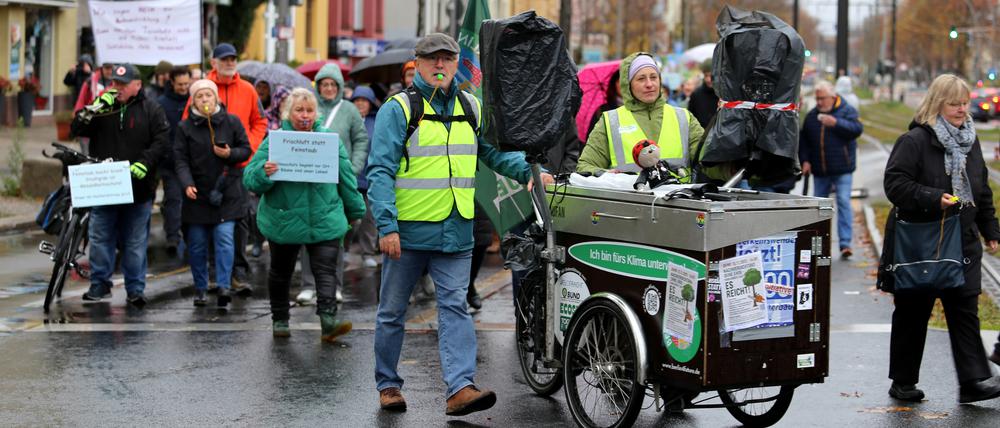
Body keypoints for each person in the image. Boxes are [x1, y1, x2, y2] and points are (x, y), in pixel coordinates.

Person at [367, 32, 531, 416]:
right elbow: (379, 171)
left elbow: (492, 153)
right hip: (407, 232)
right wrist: (386, 226)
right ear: (419, 63)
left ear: (457, 63)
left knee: (455, 305)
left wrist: (527, 171)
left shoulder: (471, 106)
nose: (439, 65)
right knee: (392, 311)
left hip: (455, 229)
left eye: (447, 58)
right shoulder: (399, 109)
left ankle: (460, 387)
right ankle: (388, 384)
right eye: (431, 59)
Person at [883, 74, 1000, 404]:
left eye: (965, 102)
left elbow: (981, 187)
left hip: (961, 239)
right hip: (923, 241)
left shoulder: (971, 140)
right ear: (937, 104)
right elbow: (895, 184)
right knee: (913, 312)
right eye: (955, 104)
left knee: (965, 308)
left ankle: (974, 381)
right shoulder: (915, 141)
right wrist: (933, 197)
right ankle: (903, 381)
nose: (963, 109)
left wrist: (990, 229)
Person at [243, 87, 366, 340]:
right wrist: (263, 173)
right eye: (299, 110)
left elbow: (346, 178)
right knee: (281, 271)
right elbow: (250, 179)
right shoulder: (276, 140)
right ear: (289, 112)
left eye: (309, 110)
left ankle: (328, 320)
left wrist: (355, 211)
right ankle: (280, 320)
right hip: (284, 216)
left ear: (316, 113)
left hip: (323, 216)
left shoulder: (329, 140)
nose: (305, 115)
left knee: (326, 270)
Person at [70, 63, 169, 307]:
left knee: (134, 242)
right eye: (114, 83)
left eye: (124, 84)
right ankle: (99, 285)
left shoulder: (152, 109)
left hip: (138, 189)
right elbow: (76, 129)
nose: (118, 88)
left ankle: (135, 289)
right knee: (100, 238)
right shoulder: (104, 108)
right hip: (105, 187)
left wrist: (145, 163)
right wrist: (92, 109)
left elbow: (162, 141)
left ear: (138, 85)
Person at [185, 43, 269, 294]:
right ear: (214, 63)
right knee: (209, 222)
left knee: (240, 220)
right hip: (207, 169)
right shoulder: (201, 89)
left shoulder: (247, 89)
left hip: (239, 164)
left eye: (233, 58)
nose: (230, 62)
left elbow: (259, 121)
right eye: (224, 59)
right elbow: (186, 124)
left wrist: (249, 149)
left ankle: (238, 273)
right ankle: (214, 273)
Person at [295, 64, 369, 304]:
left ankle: (335, 285)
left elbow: (360, 140)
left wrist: (353, 168)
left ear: (338, 87)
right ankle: (308, 285)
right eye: (324, 84)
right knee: (308, 233)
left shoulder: (348, 109)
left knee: (335, 235)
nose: (328, 88)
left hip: (337, 182)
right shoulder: (310, 107)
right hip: (310, 180)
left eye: (332, 84)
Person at [174, 79, 251, 307]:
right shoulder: (184, 128)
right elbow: (180, 159)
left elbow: (245, 149)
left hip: (225, 194)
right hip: (197, 196)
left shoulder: (232, 121)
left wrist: (230, 154)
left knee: (225, 239)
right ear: (194, 101)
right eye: (199, 96)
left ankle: (224, 285)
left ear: (216, 98)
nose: (205, 99)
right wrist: (186, 183)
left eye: (208, 95)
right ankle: (200, 287)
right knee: (196, 243)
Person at [577, 53, 704, 176]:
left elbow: (709, 162)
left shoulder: (684, 118)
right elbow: (585, 167)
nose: (649, 84)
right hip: (628, 198)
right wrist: (605, 174)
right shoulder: (610, 121)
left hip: (677, 197)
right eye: (641, 79)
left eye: (653, 77)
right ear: (628, 85)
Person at [798, 81, 863, 259]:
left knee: (843, 201)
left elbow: (857, 129)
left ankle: (845, 244)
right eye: (817, 98)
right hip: (820, 170)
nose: (819, 102)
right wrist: (805, 160)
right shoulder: (812, 116)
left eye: (822, 98)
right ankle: (819, 244)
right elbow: (805, 142)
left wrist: (836, 123)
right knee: (820, 207)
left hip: (842, 168)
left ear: (833, 97)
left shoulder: (847, 110)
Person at [157, 66, 193, 254]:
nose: (184, 87)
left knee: (189, 200)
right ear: (172, 82)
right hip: (170, 162)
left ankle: (188, 234)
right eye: (180, 84)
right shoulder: (162, 103)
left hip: (192, 162)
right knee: (173, 199)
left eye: (187, 84)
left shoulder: (194, 100)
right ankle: (172, 236)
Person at [350, 85, 381, 268]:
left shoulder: (376, 121)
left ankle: (367, 252)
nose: (360, 104)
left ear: (370, 104)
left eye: (364, 100)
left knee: (370, 219)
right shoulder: (347, 119)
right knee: (349, 217)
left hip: (370, 178)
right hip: (350, 178)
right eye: (357, 100)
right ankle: (344, 249)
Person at [688, 59, 719, 128]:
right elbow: (691, 120)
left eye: (711, 76)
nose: (708, 79)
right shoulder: (696, 95)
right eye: (706, 75)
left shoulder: (724, 95)